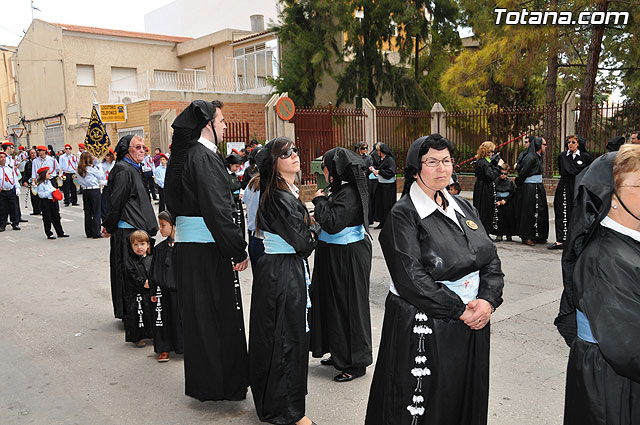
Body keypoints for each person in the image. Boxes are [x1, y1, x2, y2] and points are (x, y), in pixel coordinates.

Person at [365, 134, 504, 425]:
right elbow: (411, 279)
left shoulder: (463, 207)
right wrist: (462, 310)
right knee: (427, 403)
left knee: (463, 396)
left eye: (446, 161)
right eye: (432, 162)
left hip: (472, 318)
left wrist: (489, 301)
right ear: (416, 168)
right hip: (429, 321)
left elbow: (488, 256)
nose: (442, 169)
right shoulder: (403, 215)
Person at [164, 100, 249, 402]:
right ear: (207, 124)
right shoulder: (203, 156)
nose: (225, 126)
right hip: (208, 250)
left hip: (193, 250)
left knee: (201, 319)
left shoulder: (189, 155)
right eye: (222, 121)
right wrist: (238, 249)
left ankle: (207, 385)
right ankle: (221, 386)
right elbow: (218, 211)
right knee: (217, 318)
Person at [561, 144, 640, 425]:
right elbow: (629, 347)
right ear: (612, 196)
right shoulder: (604, 259)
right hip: (611, 384)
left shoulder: (630, 242)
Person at [249, 137, 319, 425]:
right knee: (285, 339)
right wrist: (314, 226)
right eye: (286, 153)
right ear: (274, 163)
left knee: (281, 335)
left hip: (280, 269)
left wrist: (309, 227)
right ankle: (288, 412)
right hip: (282, 272)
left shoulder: (284, 191)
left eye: (295, 151)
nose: (295, 156)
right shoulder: (278, 195)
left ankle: (278, 403)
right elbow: (303, 242)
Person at [310, 147, 373, 382]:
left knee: (348, 306)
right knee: (330, 303)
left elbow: (333, 222)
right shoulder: (341, 190)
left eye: (325, 167)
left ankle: (355, 362)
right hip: (333, 253)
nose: (323, 171)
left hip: (347, 255)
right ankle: (338, 352)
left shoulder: (348, 193)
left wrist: (319, 201)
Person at [102, 135, 158, 320]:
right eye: (138, 147)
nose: (143, 150)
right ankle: (130, 315)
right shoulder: (124, 170)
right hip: (127, 232)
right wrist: (109, 226)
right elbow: (116, 202)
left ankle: (138, 317)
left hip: (136, 231)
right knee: (128, 275)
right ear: (127, 150)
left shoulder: (133, 168)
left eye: (144, 147)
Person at [149, 210, 183, 362]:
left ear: (173, 226)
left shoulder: (183, 247)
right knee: (162, 320)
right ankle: (164, 349)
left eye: (163, 225)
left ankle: (183, 347)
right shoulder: (160, 248)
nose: (160, 229)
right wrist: (153, 290)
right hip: (163, 291)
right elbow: (154, 272)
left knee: (181, 320)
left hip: (181, 292)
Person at [549, 135, 593, 250]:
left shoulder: (585, 156)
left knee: (577, 212)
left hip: (578, 185)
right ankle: (560, 240)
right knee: (562, 211)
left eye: (573, 142)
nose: (570, 144)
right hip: (564, 185)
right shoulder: (563, 156)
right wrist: (577, 169)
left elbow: (587, 170)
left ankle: (575, 240)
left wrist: (575, 170)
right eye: (568, 142)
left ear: (578, 144)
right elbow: (566, 170)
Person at [514, 137, 549, 246]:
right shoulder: (531, 157)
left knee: (540, 210)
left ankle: (537, 235)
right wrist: (518, 182)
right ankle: (526, 236)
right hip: (529, 188)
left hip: (537, 186)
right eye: (544, 144)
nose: (545, 146)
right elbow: (523, 172)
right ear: (539, 145)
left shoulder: (538, 156)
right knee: (528, 211)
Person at [124, 230, 154, 347]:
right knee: (138, 315)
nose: (139, 247)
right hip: (137, 293)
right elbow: (131, 276)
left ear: (148, 245)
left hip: (150, 291)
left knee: (151, 314)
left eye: (142, 244)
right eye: (135, 244)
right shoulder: (130, 261)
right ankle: (138, 337)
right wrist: (142, 282)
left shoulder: (152, 258)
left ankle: (153, 334)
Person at [473, 141, 502, 235]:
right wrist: (499, 167)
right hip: (485, 188)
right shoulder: (484, 163)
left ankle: (482, 232)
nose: (493, 153)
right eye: (492, 151)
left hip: (480, 187)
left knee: (481, 209)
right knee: (486, 210)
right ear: (488, 151)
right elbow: (491, 176)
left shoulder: (480, 161)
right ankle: (485, 232)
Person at [76, 152, 106, 239]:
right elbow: (101, 176)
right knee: (96, 212)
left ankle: (88, 232)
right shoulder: (90, 168)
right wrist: (99, 167)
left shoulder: (78, 169)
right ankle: (96, 232)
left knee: (88, 212)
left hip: (85, 190)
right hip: (94, 190)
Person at [36, 167, 68, 239]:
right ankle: (49, 233)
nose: (50, 175)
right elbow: (41, 195)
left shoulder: (49, 182)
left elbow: (53, 189)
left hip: (52, 201)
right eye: (48, 173)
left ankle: (60, 232)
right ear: (44, 175)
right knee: (47, 218)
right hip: (45, 202)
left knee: (56, 216)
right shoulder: (41, 185)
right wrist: (51, 192)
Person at [370, 143, 397, 229]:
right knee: (381, 204)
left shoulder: (390, 160)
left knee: (387, 204)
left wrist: (380, 172)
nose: (377, 152)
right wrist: (375, 170)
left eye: (378, 150)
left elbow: (391, 172)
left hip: (388, 187)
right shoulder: (383, 159)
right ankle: (382, 221)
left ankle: (387, 222)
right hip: (381, 185)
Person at [225, 152, 246, 238]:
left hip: (238, 202)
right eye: (236, 166)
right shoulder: (225, 175)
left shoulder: (234, 175)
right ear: (230, 165)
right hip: (231, 203)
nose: (237, 169)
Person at [494, 163, 516, 242]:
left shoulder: (510, 182)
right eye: (501, 173)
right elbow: (494, 192)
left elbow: (512, 193)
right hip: (498, 201)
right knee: (499, 218)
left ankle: (508, 234)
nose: (503, 175)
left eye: (505, 174)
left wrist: (506, 200)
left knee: (508, 218)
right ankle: (499, 234)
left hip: (507, 201)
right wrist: (497, 200)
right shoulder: (496, 181)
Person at [0, 150, 21, 231]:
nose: (3, 159)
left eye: (4, 157)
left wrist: (18, 187)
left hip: (11, 190)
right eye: (1, 157)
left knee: (14, 208)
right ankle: (2, 224)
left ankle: (15, 223)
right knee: (2, 209)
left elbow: (14, 179)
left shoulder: (10, 169)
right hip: (2, 191)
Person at [21, 149, 41, 216]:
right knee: (33, 196)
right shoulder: (28, 163)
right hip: (32, 181)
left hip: (39, 181)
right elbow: (25, 173)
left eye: (34, 153)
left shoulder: (39, 161)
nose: (33, 154)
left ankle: (42, 210)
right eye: (31, 153)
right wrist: (24, 181)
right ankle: (36, 210)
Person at [100, 150, 115, 219]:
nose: (106, 157)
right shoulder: (102, 164)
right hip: (105, 185)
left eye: (108, 155)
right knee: (104, 203)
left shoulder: (115, 164)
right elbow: (100, 174)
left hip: (113, 186)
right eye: (105, 155)